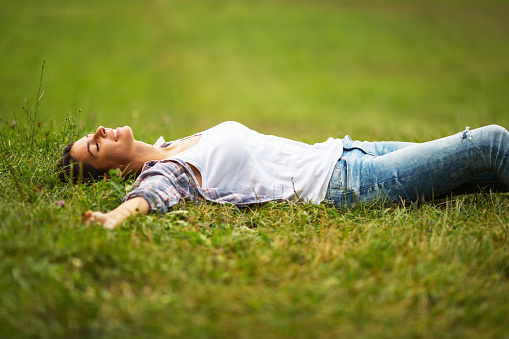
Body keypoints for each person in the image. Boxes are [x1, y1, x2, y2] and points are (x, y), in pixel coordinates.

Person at [59, 121, 509, 229]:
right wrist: (116, 216)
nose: (100, 132)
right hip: (349, 182)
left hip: (347, 150)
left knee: (485, 176)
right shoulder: (170, 172)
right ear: (111, 174)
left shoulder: (170, 144)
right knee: (489, 142)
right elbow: (149, 198)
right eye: (95, 147)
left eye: (92, 134)